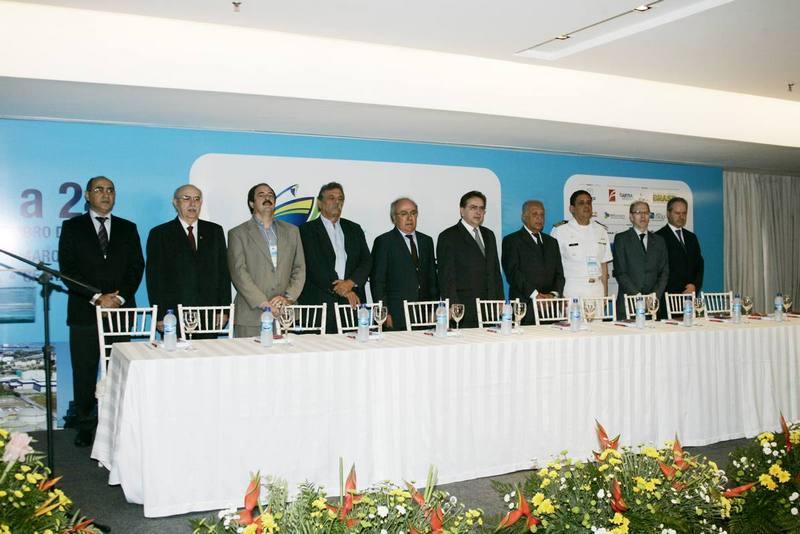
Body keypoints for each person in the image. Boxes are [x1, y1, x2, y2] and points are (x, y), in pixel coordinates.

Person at [57, 176, 144, 447]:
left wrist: (119, 298)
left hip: (120, 311)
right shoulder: (72, 227)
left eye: (110, 190)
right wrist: (97, 298)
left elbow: (136, 267)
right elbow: (68, 269)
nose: (106, 195)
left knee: (118, 370)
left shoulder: (128, 228)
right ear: (87, 195)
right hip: (85, 312)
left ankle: (117, 423)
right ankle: (85, 425)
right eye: (99, 190)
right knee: (84, 370)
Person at [146, 184, 231, 337]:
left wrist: (224, 310)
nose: (192, 203)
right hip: (173, 315)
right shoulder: (160, 234)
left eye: (197, 199)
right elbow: (154, 278)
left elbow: (223, 273)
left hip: (209, 313)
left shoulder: (215, 231)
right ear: (175, 202)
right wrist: (159, 315)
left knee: (209, 352)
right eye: (186, 198)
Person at [227, 183, 306, 337]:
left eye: (270, 195)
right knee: (249, 354)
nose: (267, 197)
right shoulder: (237, 233)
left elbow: (299, 268)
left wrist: (288, 298)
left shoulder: (292, 231)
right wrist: (264, 303)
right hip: (251, 314)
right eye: (261, 195)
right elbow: (238, 272)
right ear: (251, 203)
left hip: (284, 313)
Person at [299, 182, 371, 334]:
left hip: (352, 303)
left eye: (340, 199)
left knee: (353, 346)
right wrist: (340, 288)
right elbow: (314, 265)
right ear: (320, 203)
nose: (337, 202)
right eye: (331, 198)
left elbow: (366, 261)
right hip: (319, 305)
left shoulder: (354, 229)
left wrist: (350, 283)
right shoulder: (306, 230)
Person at [436, 190, 504, 328]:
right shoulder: (448, 236)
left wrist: (500, 300)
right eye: (473, 207)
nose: (478, 212)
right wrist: (454, 305)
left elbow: (495, 271)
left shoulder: (489, 235)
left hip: (490, 307)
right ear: (462, 211)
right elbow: (447, 276)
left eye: (481, 208)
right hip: (463, 308)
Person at [370, 197, 438, 331]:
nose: (409, 218)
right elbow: (377, 281)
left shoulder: (426, 241)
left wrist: (434, 308)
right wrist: (384, 312)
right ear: (394, 218)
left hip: (424, 314)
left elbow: (432, 279)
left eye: (413, 213)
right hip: (395, 313)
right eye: (403, 213)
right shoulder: (384, 242)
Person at [502, 200, 565, 325]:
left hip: (549, 306)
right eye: (535, 214)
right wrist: (536, 295)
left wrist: (552, 295)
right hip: (525, 306)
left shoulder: (552, 242)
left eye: (542, 214)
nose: (539, 218)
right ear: (524, 217)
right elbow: (513, 273)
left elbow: (559, 274)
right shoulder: (512, 241)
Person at [551, 190, 613, 299]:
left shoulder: (601, 230)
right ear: (572, 209)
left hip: (597, 289)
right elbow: (552, 266)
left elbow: (604, 265)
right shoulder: (560, 230)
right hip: (571, 289)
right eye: (581, 203)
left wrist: (605, 295)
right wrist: (559, 295)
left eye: (589, 202)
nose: (586, 206)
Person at [612, 200, 669, 319]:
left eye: (646, 212)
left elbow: (664, 272)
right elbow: (620, 273)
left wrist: (654, 296)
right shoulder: (621, 239)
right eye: (638, 212)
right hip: (628, 304)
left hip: (652, 306)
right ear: (631, 217)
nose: (643, 216)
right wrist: (638, 297)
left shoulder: (659, 241)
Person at [655, 196, 704, 317]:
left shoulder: (691, 237)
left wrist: (694, 286)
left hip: (689, 298)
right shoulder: (658, 237)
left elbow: (699, 265)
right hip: (667, 300)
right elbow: (657, 270)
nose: (681, 216)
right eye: (677, 213)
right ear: (668, 214)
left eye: (684, 213)